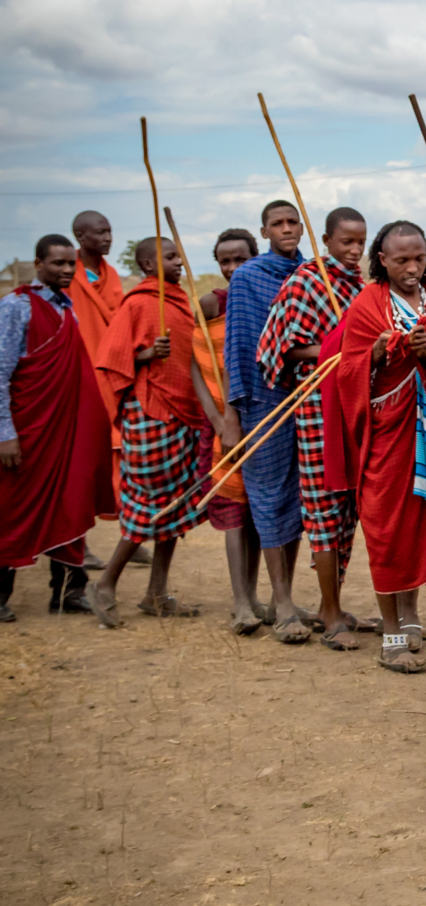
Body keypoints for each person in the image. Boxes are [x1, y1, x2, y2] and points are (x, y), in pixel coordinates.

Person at [334, 220, 426, 673]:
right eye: (401, 261)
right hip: (389, 433)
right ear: (382, 260)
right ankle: (393, 635)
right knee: (388, 529)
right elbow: (348, 369)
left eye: (419, 258)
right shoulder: (367, 303)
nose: (412, 268)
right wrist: (383, 349)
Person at [257, 207, 376, 651]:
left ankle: (336, 603)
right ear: (326, 241)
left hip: (355, 406)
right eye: (346, 242)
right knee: (325, 506)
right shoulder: (306, 281)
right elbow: (286, 350)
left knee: (351, 508)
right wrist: (340, 348)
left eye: (361, 242)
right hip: (317, 409)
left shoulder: (360, 287)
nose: (354, 250)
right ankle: (328, 611)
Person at [87, 237, 204, 625]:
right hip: (150, 411)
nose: (179, 263)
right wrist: (147, 354)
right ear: (147, 265)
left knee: (175, 503)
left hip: (182, 413)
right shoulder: (139, 303)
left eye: (178, 256)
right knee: (152, 504)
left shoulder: (177, 300)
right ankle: (104, 584)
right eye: (170, 257)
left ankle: (156, 592)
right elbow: (112, 357)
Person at [0, 235, 115, 620]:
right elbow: (1, 374)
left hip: (65, 431)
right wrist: (6, 434)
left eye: (71, 265)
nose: (66, 271)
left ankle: (67, 592)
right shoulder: (16, 306)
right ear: (38, 265)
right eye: (58, 264)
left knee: (71, 499)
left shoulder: (69, 309)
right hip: (28, 430)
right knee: (12, 507)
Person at [222, 200, 314, 644]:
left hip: (307, 397)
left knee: (298, 499)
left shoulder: (313, 276)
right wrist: (234, 413)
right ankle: (279, 603)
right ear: (265, 231)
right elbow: (238, 347)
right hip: (262, 399)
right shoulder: (248, 277)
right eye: (277, 223)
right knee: (268, 497)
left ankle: (288, 596)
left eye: (293, 221)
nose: (287, 229)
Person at [190, 228, 268, 634]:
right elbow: (194, 362)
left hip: (263, 420)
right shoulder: (210, 304)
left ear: (256, 258)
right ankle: (240, 603)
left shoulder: (264, 300)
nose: (233, 268)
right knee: (233, 510)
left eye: (241, 259)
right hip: (224, 425)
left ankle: (254, 597)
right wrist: (220, 421)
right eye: (225, 261)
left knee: (258, 511)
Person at [68, 210, 135, 562]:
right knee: (81, 466)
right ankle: (80, 543)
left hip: (111, 376)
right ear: (80, 235)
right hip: (79, 380)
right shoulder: (69, 275)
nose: (108, 238)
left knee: (121, 461)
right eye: (100, 232)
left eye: (110, 231)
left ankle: (130, 534)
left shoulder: (111, 276)